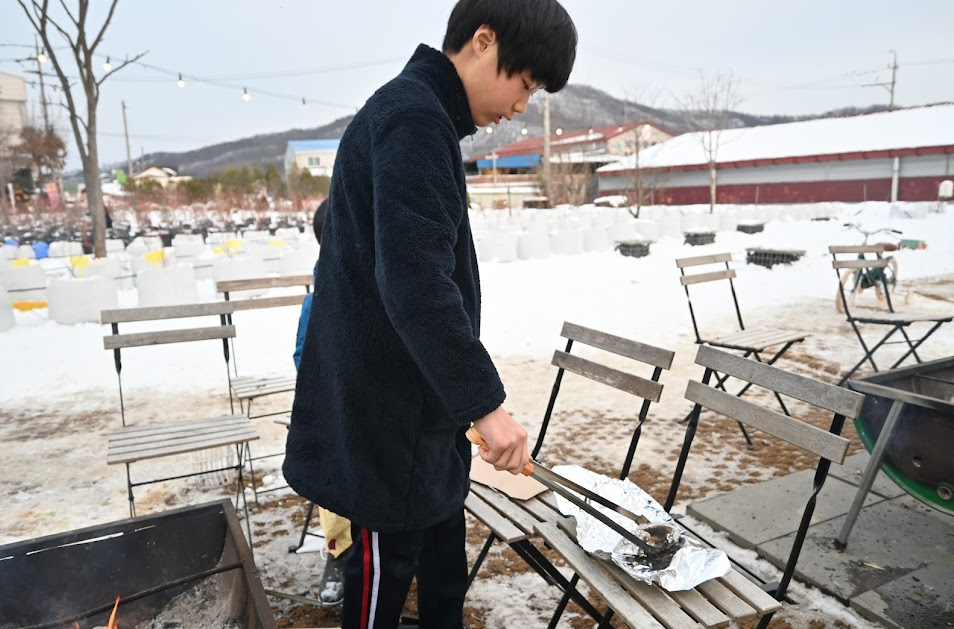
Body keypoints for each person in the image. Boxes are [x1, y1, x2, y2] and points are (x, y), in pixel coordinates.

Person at [284, 1, 577, 626]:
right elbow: (416, 282)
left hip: (418, 410)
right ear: (483, 41)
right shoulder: (413, 120)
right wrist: (486, 406)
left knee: (443, 570)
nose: (521, 106)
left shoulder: (419, 114)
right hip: (387, 418)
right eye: (525, 84)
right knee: (383, 579)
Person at [292, 198, 353, 608]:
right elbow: (303, 355)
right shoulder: (318, 301)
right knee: (335, 467)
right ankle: (339, 552)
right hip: (335, 409)